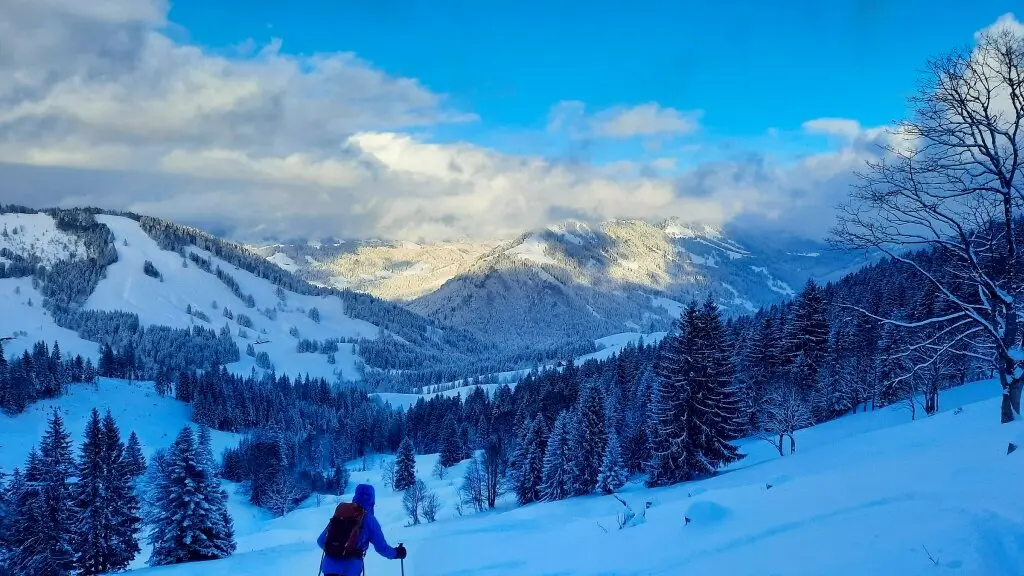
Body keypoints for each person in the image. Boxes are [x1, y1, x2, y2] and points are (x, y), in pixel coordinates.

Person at [317, 483, 407, 576]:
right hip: (350, 570)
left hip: (329, 570)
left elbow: (320, 541)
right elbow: (381, 548)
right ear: (372, 500)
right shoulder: (369, 519)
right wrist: (397, 553)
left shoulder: (341, 515)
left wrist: (335, 549)